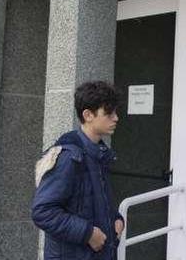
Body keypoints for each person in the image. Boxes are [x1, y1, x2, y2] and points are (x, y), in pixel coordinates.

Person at [32, 81, 125, 260]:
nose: (116, 118)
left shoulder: (99, 154)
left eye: (115, 112)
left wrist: (116, 219)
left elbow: (92, 202)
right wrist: (88, 233)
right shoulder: (69, 157)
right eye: (109, 113)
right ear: (88, 115)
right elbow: (43, 212)